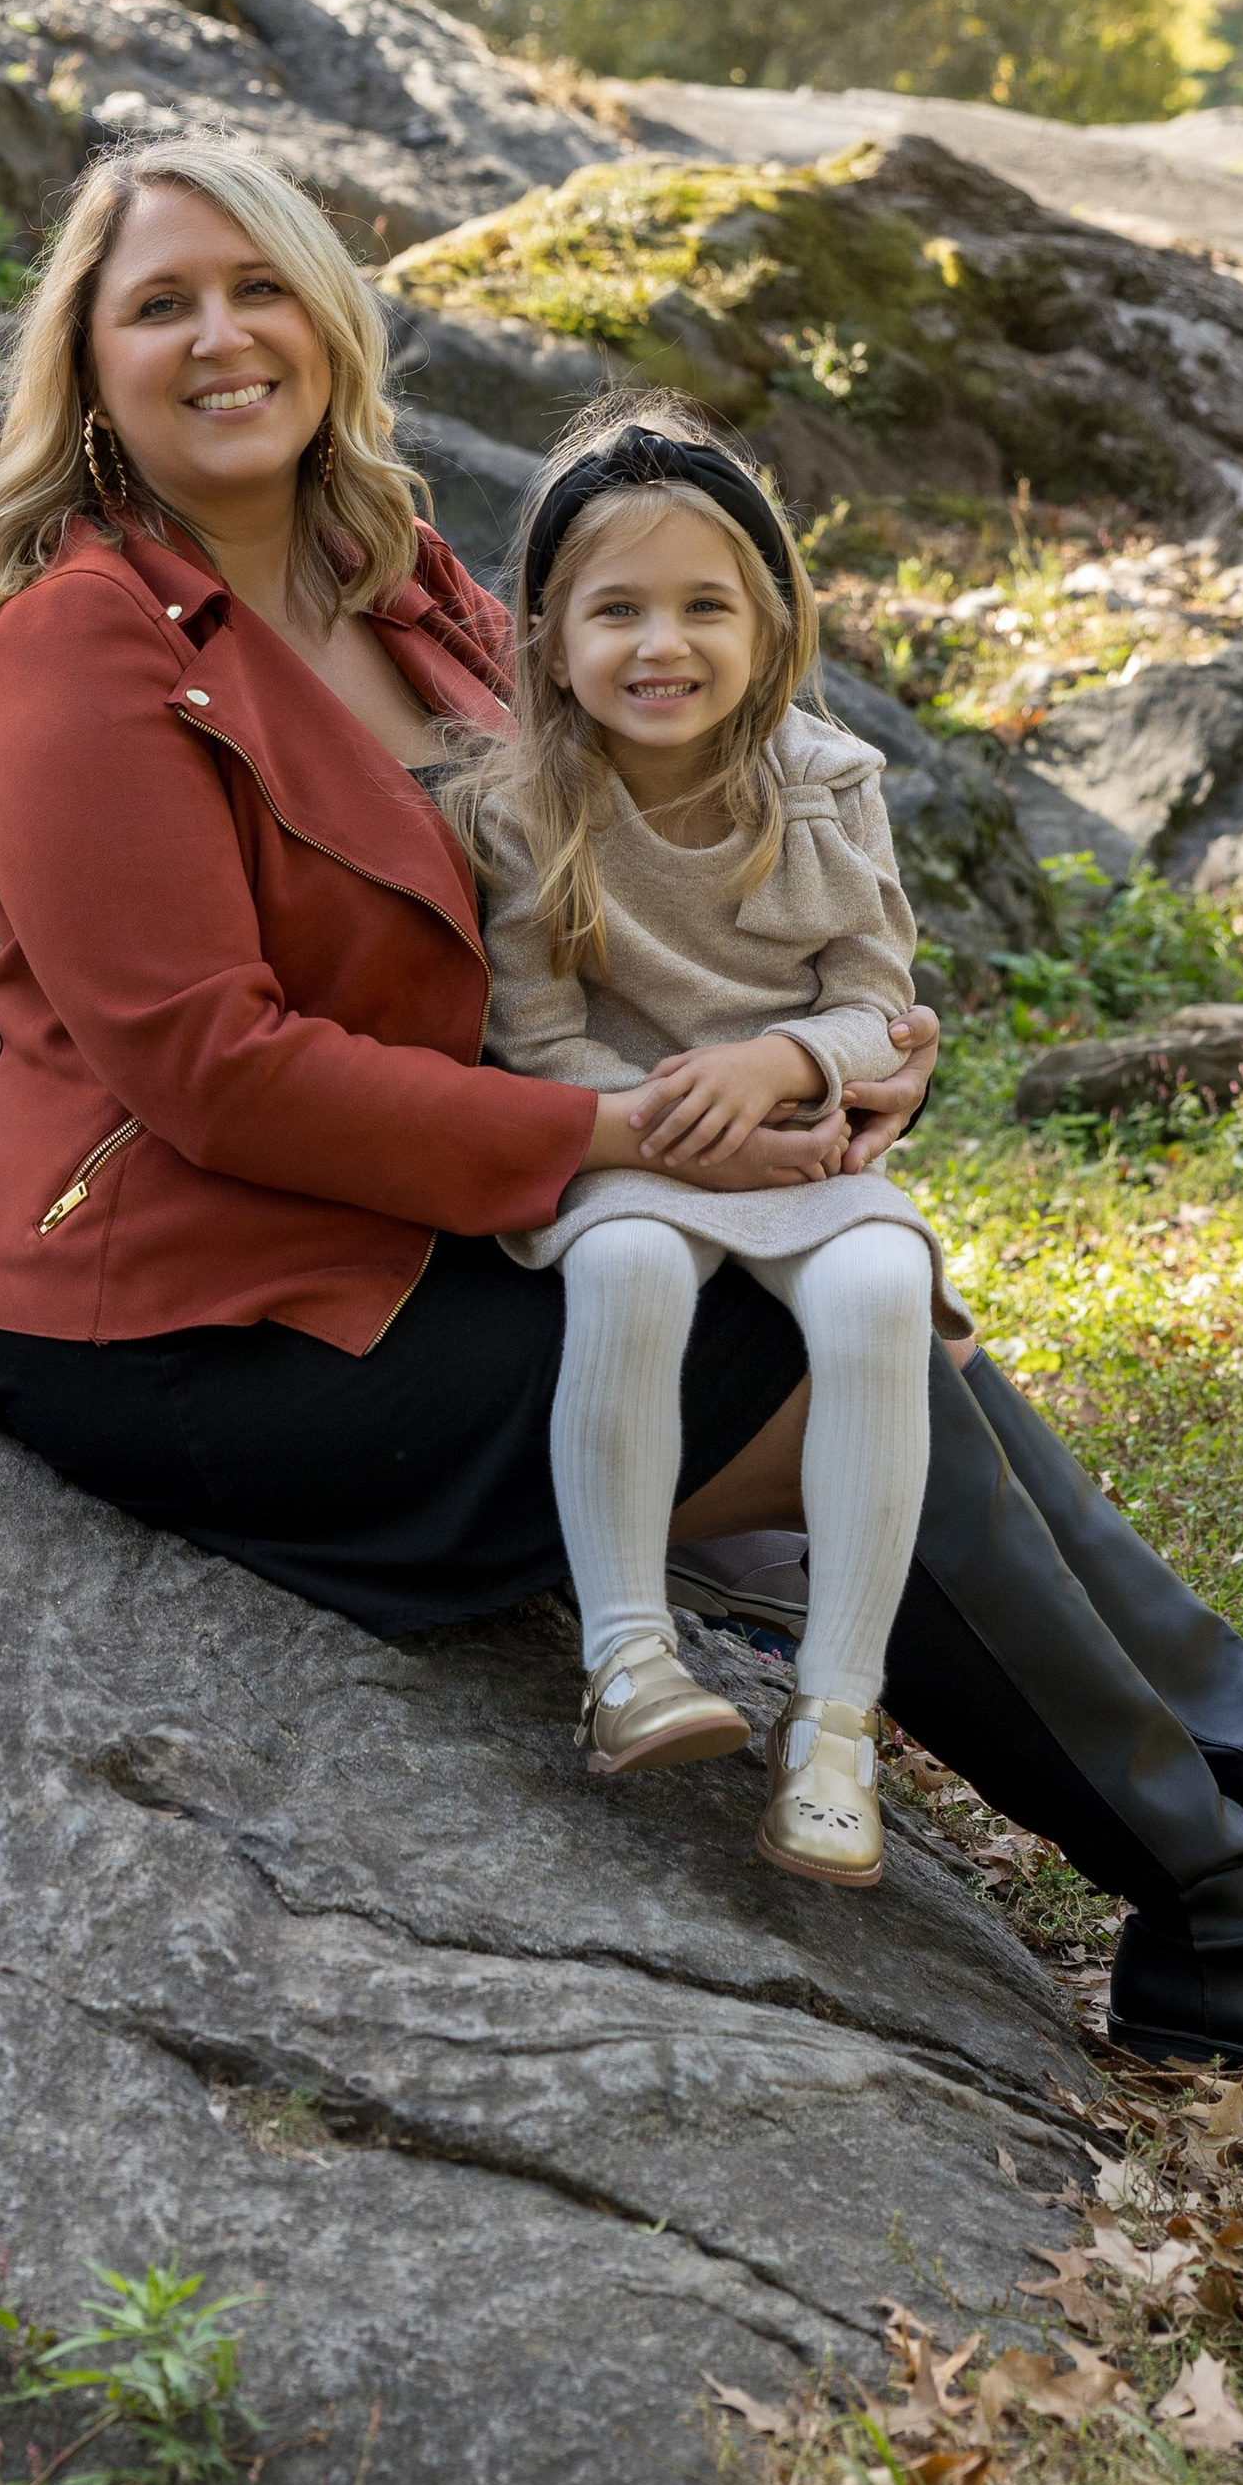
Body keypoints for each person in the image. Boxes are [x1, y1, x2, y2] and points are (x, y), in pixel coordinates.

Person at [0, 133, 1243, 2061]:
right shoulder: (80, 650)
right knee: (833, 1374)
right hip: (207, 1316)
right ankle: (1227, 1911)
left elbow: (645, 866)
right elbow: (210, 1074)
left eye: (259, 288)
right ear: (87, 365)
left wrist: (835, 1059)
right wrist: (639, 1135)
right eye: (160, 304)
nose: (220, 337)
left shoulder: (409, 590)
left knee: (899, 1327)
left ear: (329, 320)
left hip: (453, 1219)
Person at [459, 394, 970, 1888]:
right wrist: (670, 1133)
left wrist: (782, 1062)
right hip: (623, 1150)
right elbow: (533, 1036)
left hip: (800, 1146)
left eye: (704, 607)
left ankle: (837, 1716)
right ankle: (628, 1655)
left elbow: (878, 1003)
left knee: (879, 1292)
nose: (660, 644)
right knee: (624, 1273)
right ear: (549, 637)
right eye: (616, 609)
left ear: (770, 626)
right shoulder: (520, 807)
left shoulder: (827, 782)